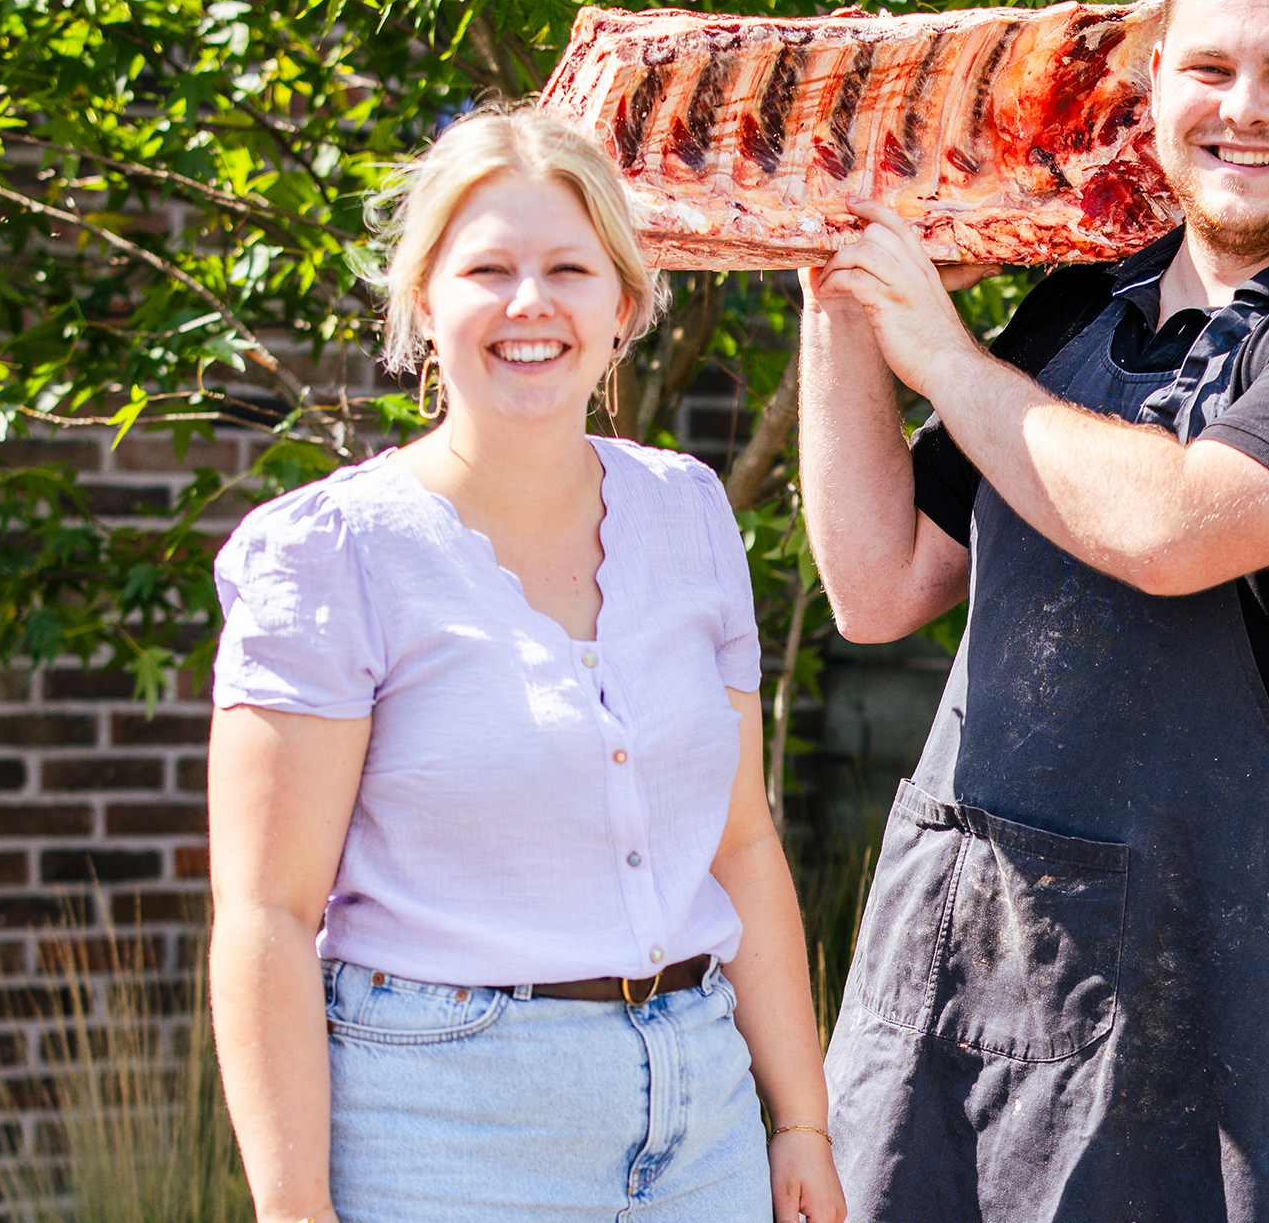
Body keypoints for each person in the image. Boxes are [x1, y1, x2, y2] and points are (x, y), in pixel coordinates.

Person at [799, 0, 1269, 1223]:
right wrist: (846, 296)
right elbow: (879, 582)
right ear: (1158, 84)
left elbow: (1174, 530)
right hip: (964, 1024)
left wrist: (946, 358)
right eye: (1211, 69)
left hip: (1240, 1068)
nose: (1247, 109)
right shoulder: (1075, 309)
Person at [206, 108, 846, 1223]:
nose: (528, 303)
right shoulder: (327, 555)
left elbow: (740, 841)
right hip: (443, 1125)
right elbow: (263, 911)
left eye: (566, 268)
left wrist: (798, 1120)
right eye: (486, 269)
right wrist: (292, 1207)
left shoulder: (688, 511)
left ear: (623, 308)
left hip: (702, 1119)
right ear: (422, 304)